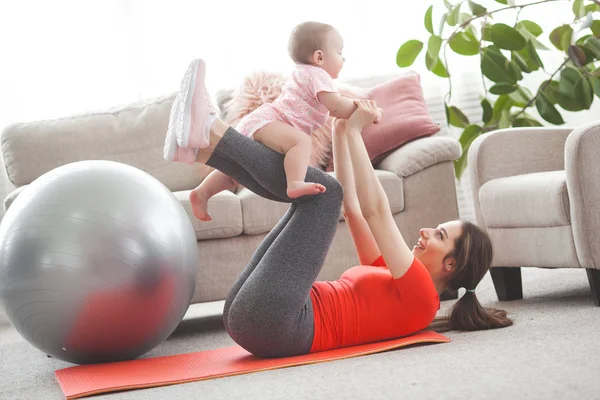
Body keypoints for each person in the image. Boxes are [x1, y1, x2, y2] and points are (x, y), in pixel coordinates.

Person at [163, 63, 513, 358]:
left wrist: (358, 134)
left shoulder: (421, 294)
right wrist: (342, 130)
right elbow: (354, 209)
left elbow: (377, 211)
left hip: (278, 323)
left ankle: (213, 132)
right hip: (257, 317)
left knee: (320, 194)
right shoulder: (396, 279)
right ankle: (201, 148)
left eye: (439, 235)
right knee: (321, 195)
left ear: (451, 265)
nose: (425, 232)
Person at [166, 21, 380, 221]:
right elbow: (337, 106)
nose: (344, 59)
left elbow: (332, 108)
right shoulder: (318, 76)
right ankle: (294, 183)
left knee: (237, 172)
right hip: (270, 122)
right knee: (301, 142)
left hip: (262, 122)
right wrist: (364, 109)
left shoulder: (305, 74)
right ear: (319, 57)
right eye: (340, 53)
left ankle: (202, 192)